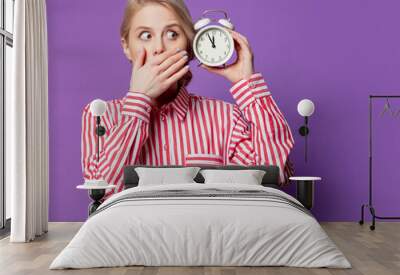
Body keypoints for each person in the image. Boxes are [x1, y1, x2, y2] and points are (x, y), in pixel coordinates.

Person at [81, 0, 295, 200]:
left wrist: (247, 83)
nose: (158, 48)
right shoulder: (101, 116)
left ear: (191, 46)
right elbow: (104, 195)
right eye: (146, 35)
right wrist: (139, 99)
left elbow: (270, 180)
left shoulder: (226, 118)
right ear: (126, 46)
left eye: (172, 34)